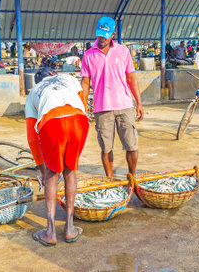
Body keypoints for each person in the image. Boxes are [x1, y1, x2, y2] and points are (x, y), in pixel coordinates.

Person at [25, 68, 89, 246]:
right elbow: (82, 104)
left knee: (52, 175)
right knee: (70, 171)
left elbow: (32, 138)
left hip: (52, 123)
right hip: (79, 120)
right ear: (53, 74)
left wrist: (42, 169)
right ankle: (69, 228)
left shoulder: (33, 93)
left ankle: (50, 231)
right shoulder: (68, 78)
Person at [81, 16, 144, 178]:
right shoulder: (88, 55)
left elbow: (131, 78)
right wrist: (82, 107)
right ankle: (110, 179)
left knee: (131, 145)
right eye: (99, 35)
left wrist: (139, 103)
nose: (101, 39)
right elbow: (85, 83)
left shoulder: (123, 52)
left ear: (113, 34)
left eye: (105, 35)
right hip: (102, 108)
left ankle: (132, 176)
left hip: (124, 106)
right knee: (106, 148)